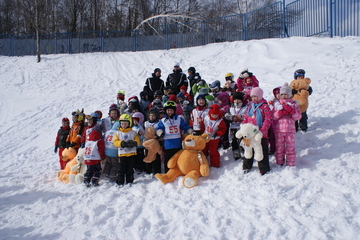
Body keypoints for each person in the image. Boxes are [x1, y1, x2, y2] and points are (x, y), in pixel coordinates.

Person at [241, 87, 272, 175]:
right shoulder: (250, 106)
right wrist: (243, 126)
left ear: (260, 96)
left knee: (261, 150)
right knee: (248, 149)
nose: (254, 98)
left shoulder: (264, 106)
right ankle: (247, 166)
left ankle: (263, 167)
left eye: (256, 96)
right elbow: (246, 117)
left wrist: (263, 129)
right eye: (252, 96)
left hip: (260, 133)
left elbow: (268, 118)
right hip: (249, 133)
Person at [156, 101, 193, 173]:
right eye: (168, 110)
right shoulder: (163, 120)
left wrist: (189, 130)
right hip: (168, 144)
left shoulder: (178, 119)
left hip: (177, 142)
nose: (170, 112)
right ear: (165, 111)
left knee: (179, 157)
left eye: (171, 110)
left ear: (174, 111)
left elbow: (184, 126)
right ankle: (168, 172)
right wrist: (160, 132)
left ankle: (179, 170)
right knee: (169, 158)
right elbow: (159, 128)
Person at [273, 83, 301, 166]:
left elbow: (298, 117)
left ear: (290, 95)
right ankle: (279, 162)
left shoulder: (293, 105)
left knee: (290, 147)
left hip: (290, 130)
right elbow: (273, 116)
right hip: (279, 130)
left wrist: (292, 112)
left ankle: (291, 162)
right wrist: (279, 113)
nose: (284, 96)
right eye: (282, 94)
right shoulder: (277, 105)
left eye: (286, 94)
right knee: (279, 148)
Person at [113, 114, 140, 186]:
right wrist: (121, 143)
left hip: (131, 153)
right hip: (122, 154)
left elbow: (138, 141)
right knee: (121, 168)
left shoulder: (133, 132)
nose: (124, 125)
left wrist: (134, 143)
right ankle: (120, 181)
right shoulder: (117, 133)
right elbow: (115, 142)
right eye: (122, 124)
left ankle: (129, 181)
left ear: (129, 123)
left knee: (130, 168)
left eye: (125, 124)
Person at [102, 105, 121, 182]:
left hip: (108, 147)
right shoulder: (106, 120)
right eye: (112, 113)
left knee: (109, 162)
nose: (113, 115)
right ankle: (112, 175)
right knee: (113, 163)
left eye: (115, 113)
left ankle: (106, 172)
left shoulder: (118, 121)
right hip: (112, 147)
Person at [225, 92, 247, 160]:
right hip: (233, 127)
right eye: (235, 99)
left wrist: (242, 117)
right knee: (234, 140)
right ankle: (235, 151)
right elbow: (226, 116)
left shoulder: (245, 108)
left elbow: (248, 116)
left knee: (243, 139)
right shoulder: (231, 108)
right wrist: (232, 118)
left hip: (242, 127)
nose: (237, 101)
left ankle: (244, 151)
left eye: (238, 99)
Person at [144, 108, 162, 175]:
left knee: (156, 156)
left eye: (153, 116)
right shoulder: (146, 123)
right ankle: (148, 170)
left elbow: (160, 131)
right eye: (150, 115)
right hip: (148, 141)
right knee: (148, 155)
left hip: (156, 141)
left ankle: (156, 170)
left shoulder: (158, 123)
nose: (151, 117)